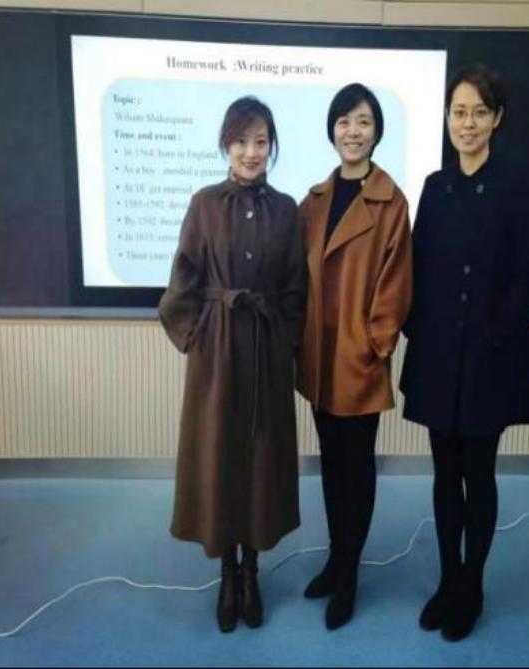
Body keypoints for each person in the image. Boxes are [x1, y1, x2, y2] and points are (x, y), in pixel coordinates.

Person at [400, 64, 529, 641]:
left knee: (478, 475)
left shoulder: (517, 186)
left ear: (497, 119)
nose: (467, 123)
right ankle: (447, 580)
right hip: (439, 356)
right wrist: (417, 332)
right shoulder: (435, 187)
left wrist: (490, 335)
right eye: (459, 112)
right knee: (444, 474)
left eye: (479, 113)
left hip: (491, 357)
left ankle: (473, 587)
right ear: (446, 117)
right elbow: (418, 267)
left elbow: (528, 276)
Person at [158, 97, 307, 633]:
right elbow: (183, 279)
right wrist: (197, 337)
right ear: (226, 144)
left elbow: (296, 289)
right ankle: (226, 573)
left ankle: (252, 572)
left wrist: (283, 343)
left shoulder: (287, 210)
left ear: (271, 147)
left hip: (265, 351)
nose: (251, 152)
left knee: (260, 460)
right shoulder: (203, 204)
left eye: (261, 141)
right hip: (216, 356)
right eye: (241, 141)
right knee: (220, 456)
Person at [297, 83, 412, 630]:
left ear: (377, 131)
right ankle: (334, 558)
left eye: (363, 121)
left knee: (357, 467)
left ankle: (348, 575)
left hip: (358, 359)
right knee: (330, 466)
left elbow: (396, 284)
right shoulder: (314, 201)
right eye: (344, 121)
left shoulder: (391, 201)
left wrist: (376, 344)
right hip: (318, 359)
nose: (353, 131)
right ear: (332, 130)